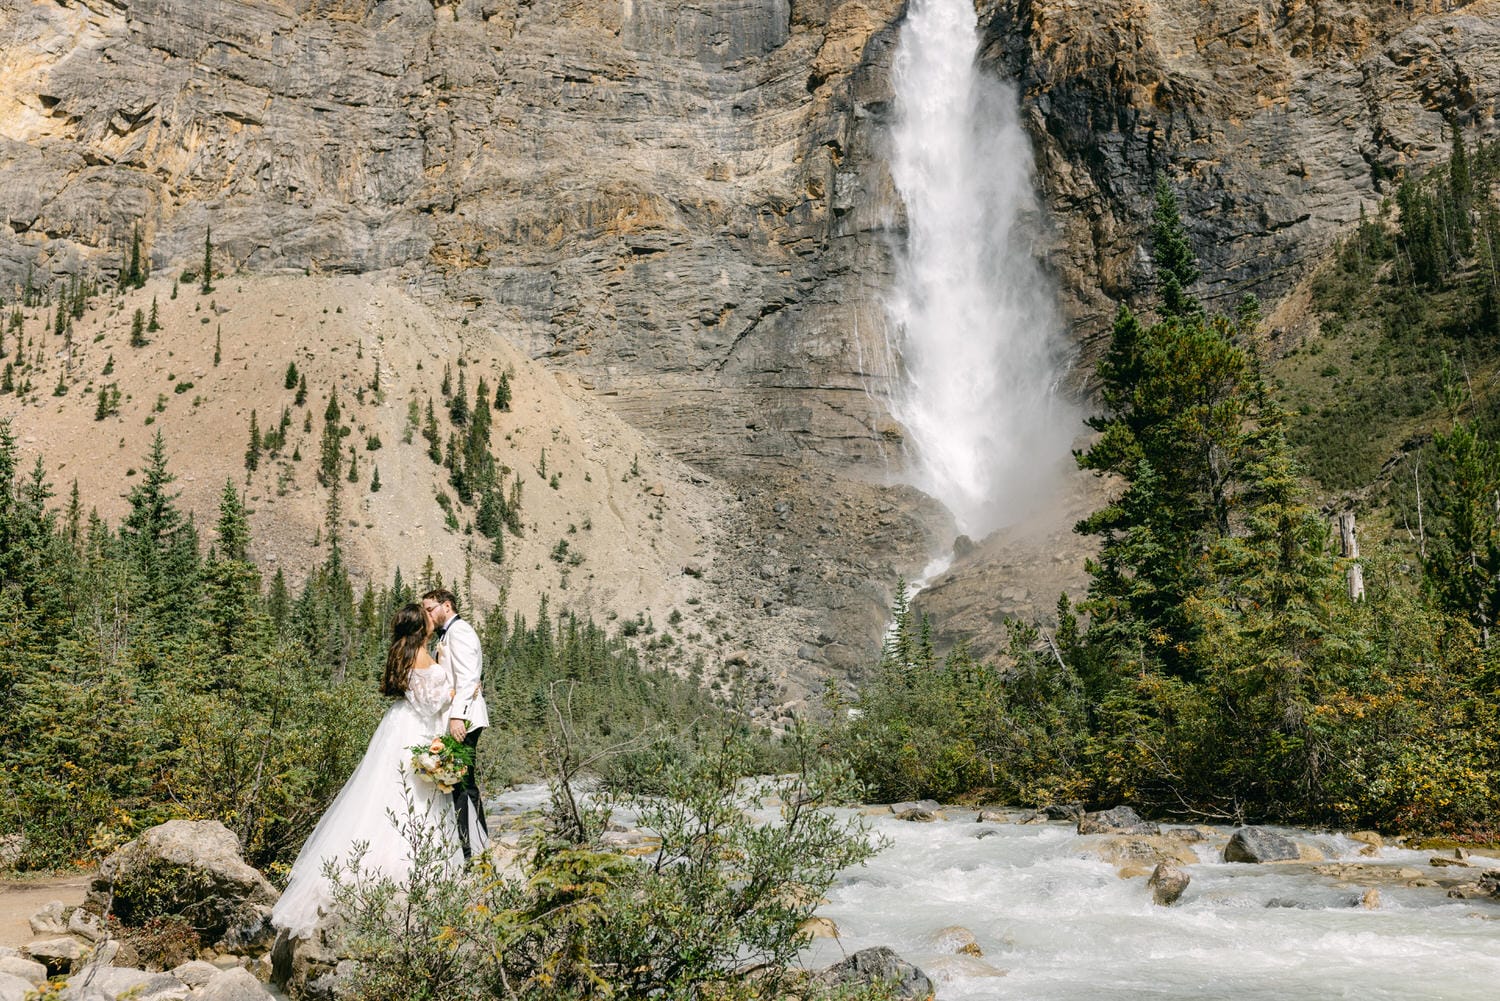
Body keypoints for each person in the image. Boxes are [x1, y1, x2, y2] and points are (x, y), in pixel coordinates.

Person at [270, 603, 461, 939]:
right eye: (428, 618)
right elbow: (431, 702)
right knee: (411, 796)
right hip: (414, 729)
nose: (433, 621)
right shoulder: (420, 654)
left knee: (380, 795)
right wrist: (452, 686)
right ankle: (402, 872)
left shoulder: (402, 650)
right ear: (421, 627)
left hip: (397, 724)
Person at [422, 588, 490, 860]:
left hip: (465, 719)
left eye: (429, 609)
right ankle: (472, 848)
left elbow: (469, 678)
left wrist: (457, 716)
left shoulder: (459, 632)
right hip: (459, 716)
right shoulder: (448, 634)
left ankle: (472, 852)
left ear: (446, 606)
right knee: (461, 783)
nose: (427, 614)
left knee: (462, 784)